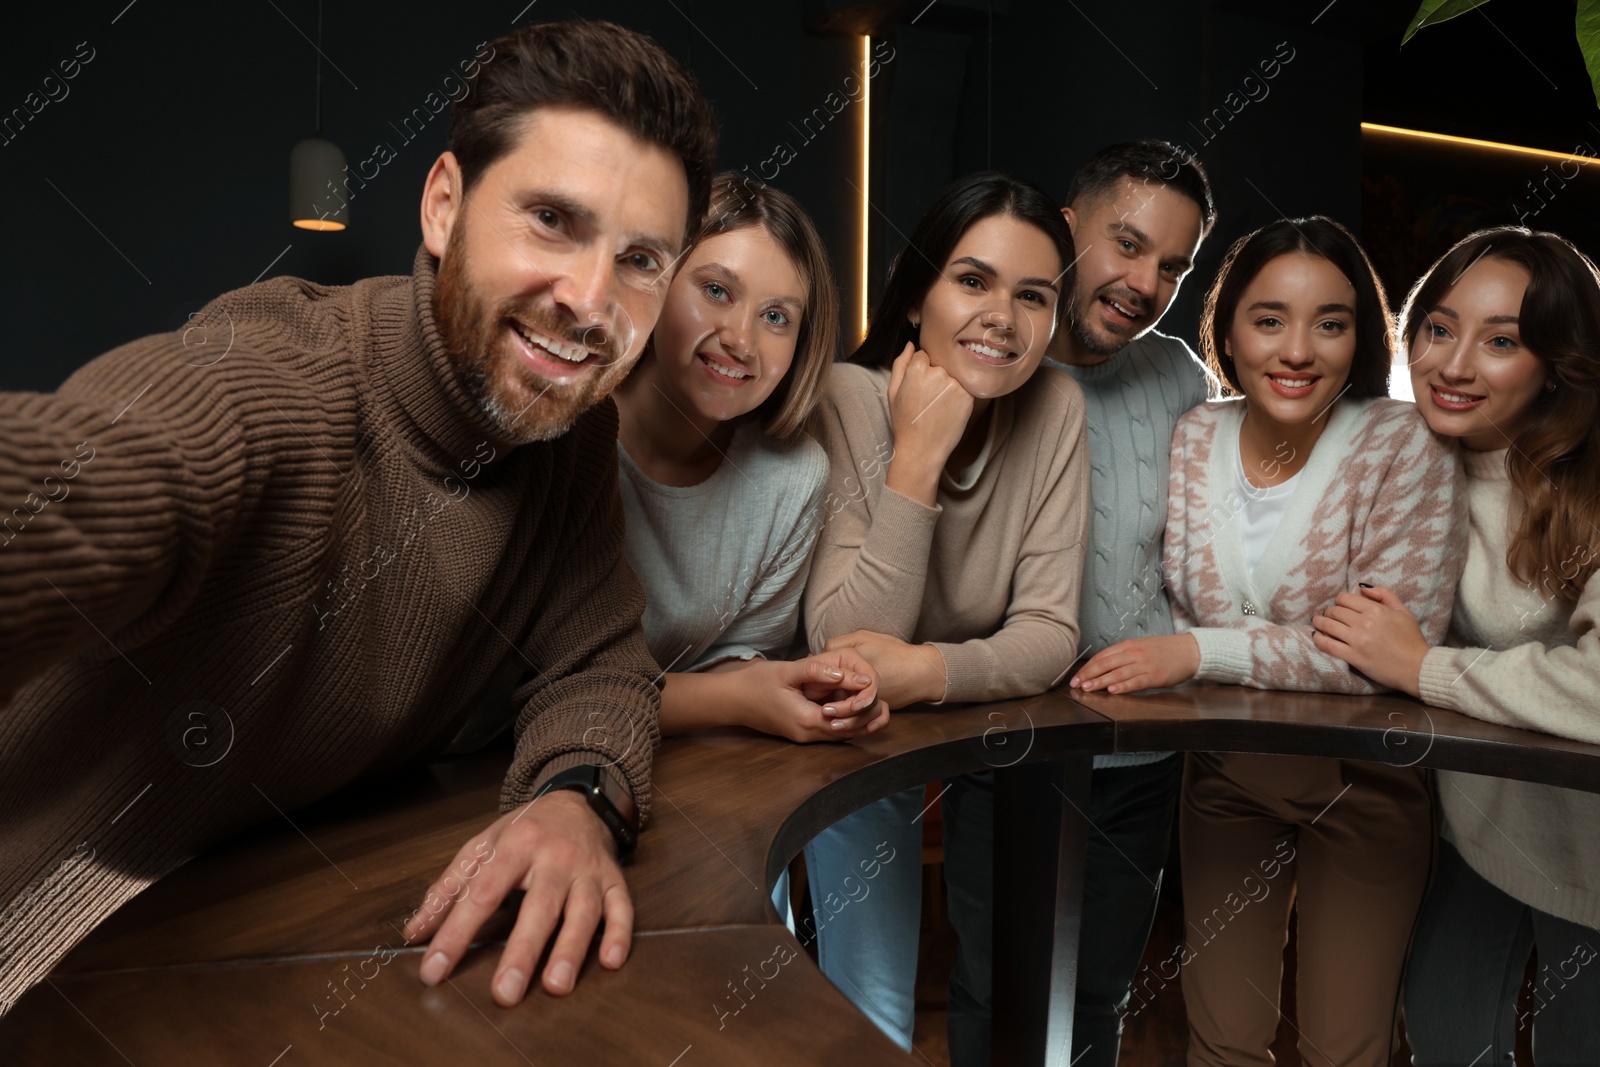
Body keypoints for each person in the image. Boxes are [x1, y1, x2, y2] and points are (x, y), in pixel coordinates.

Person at [0, 20, 717, 1014]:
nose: (592, 301)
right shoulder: (275, 380)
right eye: (552, 219)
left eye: (641, 259)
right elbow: (86, 483)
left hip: (230, 942)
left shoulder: (566, 434)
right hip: (34, 930)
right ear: (443, 206)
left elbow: (597, 656)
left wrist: (578, 798)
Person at [1073, 217, 1466, 1067]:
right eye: (1268, 319)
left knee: (1343, 1048)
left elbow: (1386, 657)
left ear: (1363, 332)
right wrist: (1252, 641)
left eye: (1331, 321)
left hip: (1363, 784)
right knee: (1220, 1043)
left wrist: (1199, 654)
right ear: (1228, 327)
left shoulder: (1403, 445)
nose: (1298, 350)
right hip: (1227, 773)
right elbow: (1172, 604)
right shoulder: (1194, 436)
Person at [801, 171, 1089, 1063]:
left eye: (1033, 295)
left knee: (1019, 984)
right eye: (972, 280)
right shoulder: (848, 397)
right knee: (874, 1012)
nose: (1003, 315)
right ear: (917, 287)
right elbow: (840, 640)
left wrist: (922, 670)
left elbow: (1049, 633)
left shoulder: (1058, 407)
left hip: (967, 720)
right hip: (839, 737)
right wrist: (918, 455)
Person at [1311, 227, 1600, 1064]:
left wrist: (1423, 669)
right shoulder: (1401, 459)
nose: (1455, 364)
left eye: (1502, 341)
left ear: (1558, 362)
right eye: (1439, 328)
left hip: (1591, 839)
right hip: (1475, 824)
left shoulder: (1589, 483)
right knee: (1442, 1032)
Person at [1041, 139, 1217, 1066]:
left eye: (1173, 266)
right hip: (1015, 739)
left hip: (1140, 746)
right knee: (1002, 988)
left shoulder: (1183, 375)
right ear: (1067, 228)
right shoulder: (998, 357)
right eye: (1127, 244)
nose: (1145, 282)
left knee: (1102, 991)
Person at [611, 174, 888, 743]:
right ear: (657, 283)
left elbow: (736, 661)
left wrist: (806, 685)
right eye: (716, 291)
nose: (742, 339)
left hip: (678, 768)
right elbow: (537, 690)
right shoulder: (563, 433)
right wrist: (736, 698)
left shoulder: (792, 478)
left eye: (776, 317)